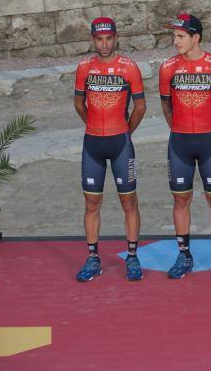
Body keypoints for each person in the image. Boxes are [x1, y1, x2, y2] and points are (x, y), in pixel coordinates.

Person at [159, 14, 211, 280]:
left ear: (196, 38)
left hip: (210, 141)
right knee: (181, 198)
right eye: (174, 36)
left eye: (180, 36)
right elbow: (166, 105)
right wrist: (177, 128)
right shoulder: (168, 68)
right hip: (179, 141)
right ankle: (184, 255)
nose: (175, 41)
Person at [73, 17, 146, 281]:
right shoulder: (84, 68)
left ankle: (133, 257)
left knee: (129, 201)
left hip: (121, 144)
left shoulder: (129, 68)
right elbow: (79, 103)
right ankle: (92, 259)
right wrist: (92, 125)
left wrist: (126, 131)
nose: (104, 44)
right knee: (92, 202)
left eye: (109, 38)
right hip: (92, 143)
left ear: (116, 38)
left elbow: (140, 107)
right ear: (93, 40)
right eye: (99, 39)